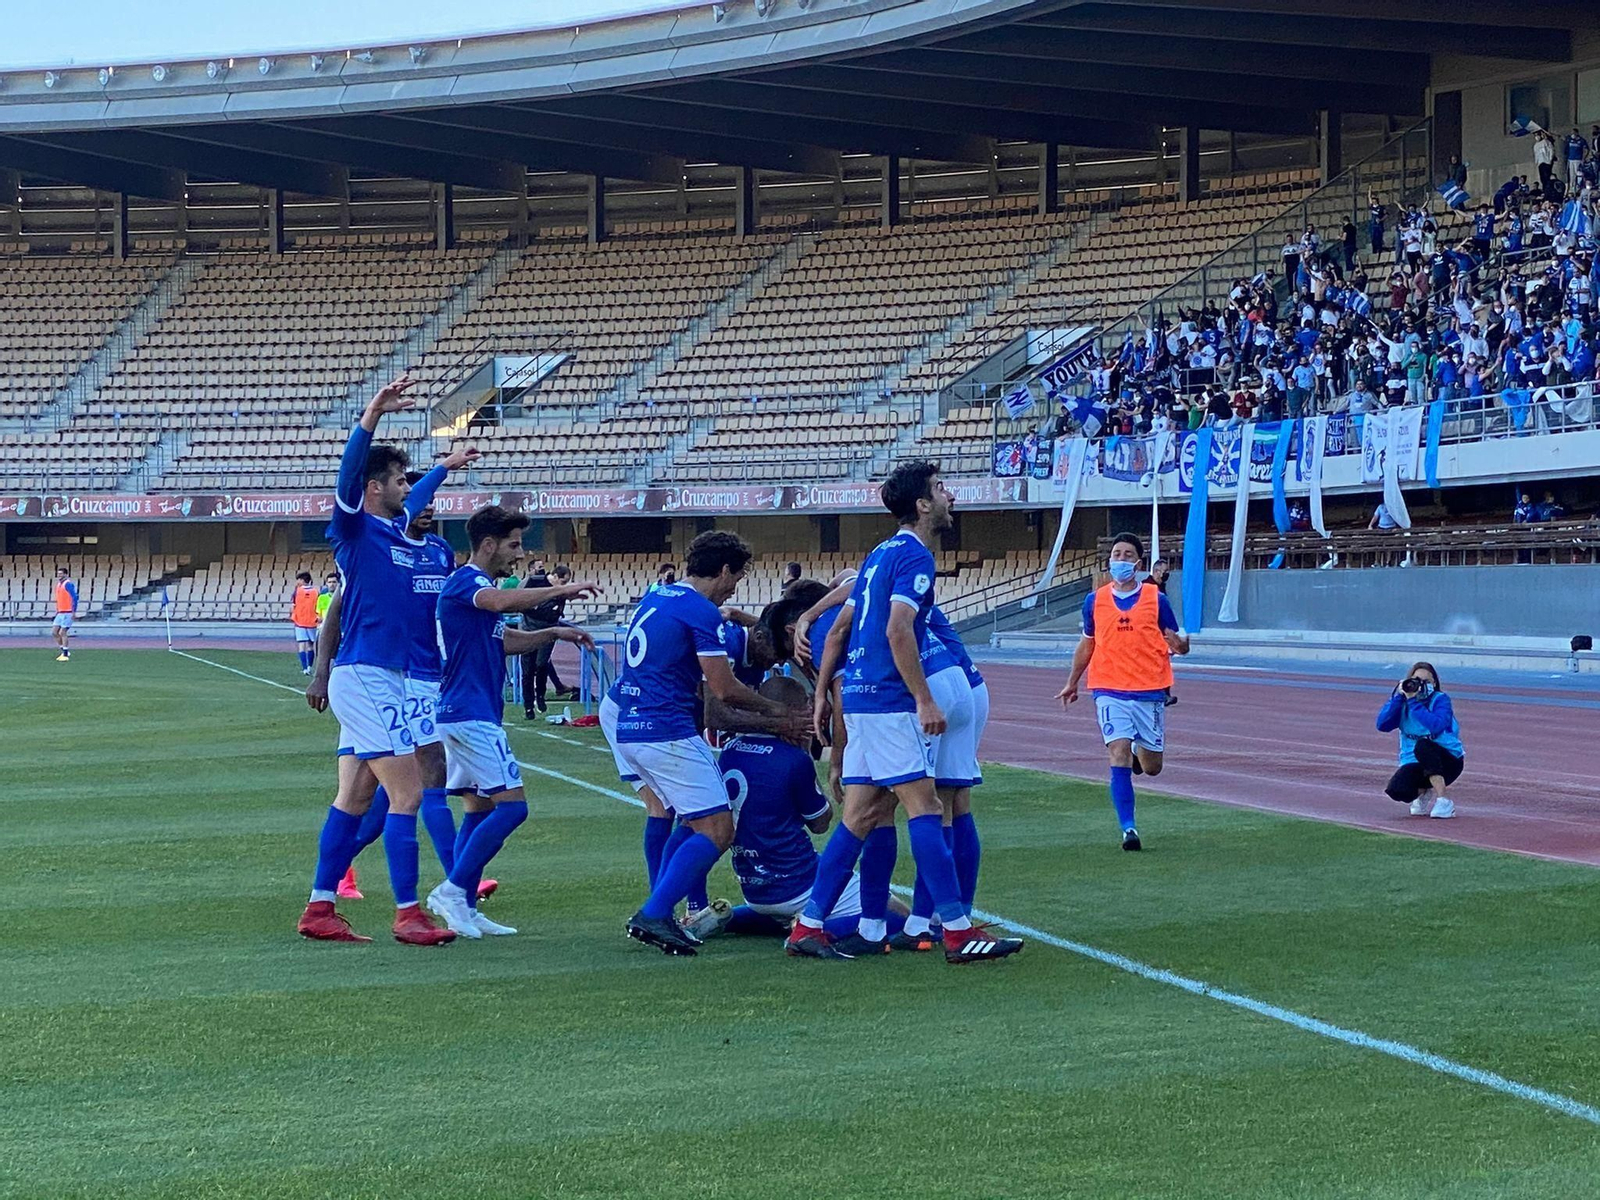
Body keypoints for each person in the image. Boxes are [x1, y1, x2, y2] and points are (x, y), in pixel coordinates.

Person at [797, 460, 1022, 964]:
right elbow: (899, 629)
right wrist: (923, 697)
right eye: (941, 488)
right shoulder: (916, 557)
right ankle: (956, 932)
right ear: (923, 504)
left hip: (857, 696)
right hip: (886, 699)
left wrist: (823, 694)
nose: (949, 496)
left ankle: (809, 925)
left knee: (861, 816)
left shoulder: (879, 553)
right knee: (929, 808)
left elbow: (843, 630)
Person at [295, 376, 478, 947]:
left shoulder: (398, 530)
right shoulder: (354, 528)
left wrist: (445, 467)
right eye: (399, 479)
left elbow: (418, 498)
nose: (408, 488)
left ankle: (320, 908)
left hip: (385, 676)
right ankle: (408, 914)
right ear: (374, 488)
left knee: (353, 798)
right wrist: (371, 413)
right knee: (409, 795)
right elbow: (348, 475)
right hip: (369, 674)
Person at [606, 530, 792, 956]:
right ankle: (654, 913)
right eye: (737, 576)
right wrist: (776, 712)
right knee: (718, 829)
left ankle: (662, 910)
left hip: (632, 726)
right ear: (724, 569)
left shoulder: (657, 596)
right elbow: (724, 689)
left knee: (690, 821)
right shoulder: (700, 611)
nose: (735, 586)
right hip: (666, 730)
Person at [425, 506, 598, 938]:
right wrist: (560, 589)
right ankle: (453, 890)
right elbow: (501, 602)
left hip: (466, 711)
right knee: (514, 807)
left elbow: (504, 640)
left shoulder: (478, 592)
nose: (519, 554)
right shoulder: (469, 581)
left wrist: (554, 633)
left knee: (480, 810)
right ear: (488, 545)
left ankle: (462, 905)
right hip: (470, 714)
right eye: (514, 544)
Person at [307, 474, 469, 908]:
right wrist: (321, 672)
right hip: (369, 681)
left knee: (389, 791)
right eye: (410, 489)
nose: (425, 504)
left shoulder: (437, 553)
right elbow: (336, 616)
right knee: (398, 793)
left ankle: (331, 889)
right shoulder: (374, 546)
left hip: (415, 680)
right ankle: (421, 899)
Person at [684, 675, 909, 944]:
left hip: (753, 888)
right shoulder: (792, 759)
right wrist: (804, 754)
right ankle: (808, 928)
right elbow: (821, 822)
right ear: (790, 711)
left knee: (775, 911)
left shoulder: (731, 749)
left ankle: (727, 916)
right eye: (805, 706)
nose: (811, 712)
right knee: (894, 915)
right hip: (798, 883)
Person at [1055, 533, 1190, 851]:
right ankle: (1129, 829)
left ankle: (1137, 757)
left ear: (1138, 563)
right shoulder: (1095, 601)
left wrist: (1182, 645)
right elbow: (1087, 643)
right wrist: (1072, 681)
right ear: (1109, 561)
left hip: (1149, 689)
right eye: (1116, 554)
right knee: (1116, 752)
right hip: (1108, 688)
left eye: (1128, 555)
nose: (1121, 559)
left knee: (1153, 767)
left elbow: (1177, 641)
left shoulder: (1156, 600)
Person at [1376, 662, 1464, 819]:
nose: (1422, 685)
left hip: (1449, 761)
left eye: (1427, 681)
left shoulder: (1440, 700)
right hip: (1416, 761)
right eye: (1417, 680)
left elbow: (1436, 725)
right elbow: (1382, 725)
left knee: (1423, 746)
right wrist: (1400, 698)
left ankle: (1444, 800)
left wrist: (1413, 703)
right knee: (1397, 790)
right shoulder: (1403, 702)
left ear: (1434, 683)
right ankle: (1425, 791)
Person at [521, 562, 577, 716]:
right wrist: (541, 611)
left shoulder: (561, 592)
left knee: (541, 665)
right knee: (527, 669)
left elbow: (559, 609)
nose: (565, 585)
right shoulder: (535, 582)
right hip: (528, 630)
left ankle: (540, 696)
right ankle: (528, 706)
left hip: (548, 631)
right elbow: (524, 604)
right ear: (555, 576)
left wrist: (555, 614)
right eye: (563, 581)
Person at [290, 572, 320, 675]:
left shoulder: (297, 592)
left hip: (300, 621)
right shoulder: (316, 592)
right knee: (311, 645)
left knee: (301, 645)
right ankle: (309, 667)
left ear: (302, 580)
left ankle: (304, 669)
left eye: (298, 580)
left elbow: (293, 606)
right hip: (312, 622)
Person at [50, 566, 77, 662]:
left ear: (65, 574)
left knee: (62, 632)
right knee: (54, 632)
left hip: (68, 611)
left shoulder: (68, 584)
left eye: (61, 574)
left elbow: (74, 597)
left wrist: (74, 611)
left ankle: (65, 654)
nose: (59, 575)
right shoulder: (58, 584)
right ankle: (63, 649)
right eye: (58, 574)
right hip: (60, 612)